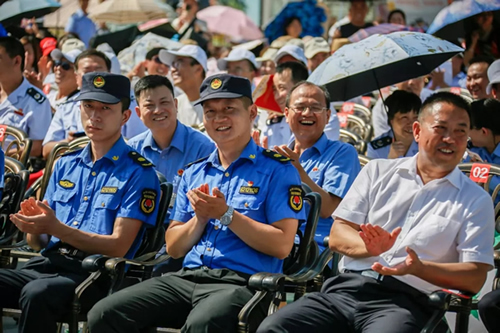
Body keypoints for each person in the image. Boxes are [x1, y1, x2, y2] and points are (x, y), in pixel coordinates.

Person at [257, 92, 494, 333]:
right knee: (274, 327)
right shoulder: (378, 171)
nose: (450, 139)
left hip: (406, 302)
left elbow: (474, 278)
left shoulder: (475, 199)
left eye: (460, 132)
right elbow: (339, 234)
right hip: (346, 290)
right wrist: (369, 248)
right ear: (417, 131)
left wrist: (419, 268)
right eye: (440, 128)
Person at [87, 74, 306, 332]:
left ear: (252, 113)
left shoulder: (278, 170)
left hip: (244, 283)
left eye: (229, 110)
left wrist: (226, 215)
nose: (219, 119)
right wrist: (200, 219)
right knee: (105, 313)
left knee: (203, 323)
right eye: (210, 112)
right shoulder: (195, 172)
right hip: (188, 277)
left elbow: (282, 245)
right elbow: (174, 247)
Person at [0, 72, 161, 333]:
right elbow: (38, 244)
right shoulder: (65, 163)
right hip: (48, 265)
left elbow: (119, 246)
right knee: (33, 287)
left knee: (36, 293)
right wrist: (34, 228)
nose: (94, 116)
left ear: (125, 116)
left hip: (95, 274)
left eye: (105, 109)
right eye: (88, 106)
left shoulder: (139, 173)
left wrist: (54, 228)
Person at [277, 81, 359, 252]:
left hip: (314, 249)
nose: (307, 113)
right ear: (286, 113)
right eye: (300, 107)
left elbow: (328, 209)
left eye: (315, 108)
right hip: (276, 240)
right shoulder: (278, 154)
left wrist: (297, 171)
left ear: (328, 116)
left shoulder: (342, 152)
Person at [42, 49, 147, 159]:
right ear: (77, 77)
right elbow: (46, 150)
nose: (94, 76)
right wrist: (70, 143)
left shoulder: (125, 105)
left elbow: (138, 145)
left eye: (105, 108)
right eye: (88, 106)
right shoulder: (65, 107)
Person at [128, 75, 214, 206]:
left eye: (164, 103)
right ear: (139, 113)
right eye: (149, 105)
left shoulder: (203, 148)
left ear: (175, 105)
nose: (158, 110)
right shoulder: (132, 149)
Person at [0, 36, 52, 157]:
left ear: (17, 61)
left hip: (10, 171)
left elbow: (37, 146)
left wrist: (4, 157)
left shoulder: (37, 101)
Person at [260, 61, 309, 148]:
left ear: (300, 87)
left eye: (282, 88)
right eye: (275, 89)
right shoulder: (273, 124)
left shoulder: (319, 119)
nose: (277, 96)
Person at [159, 44, 207, 127]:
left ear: (198, 69)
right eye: (172, 65)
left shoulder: (216, 103)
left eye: (178, 63)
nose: (173, 70)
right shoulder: (175, 105)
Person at [368, 90, 421, 159]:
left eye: (415, 118)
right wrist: (390, 159)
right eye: (404, 118)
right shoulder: (377, 148)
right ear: (391, 120)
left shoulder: (426, 143)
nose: (411, 123)